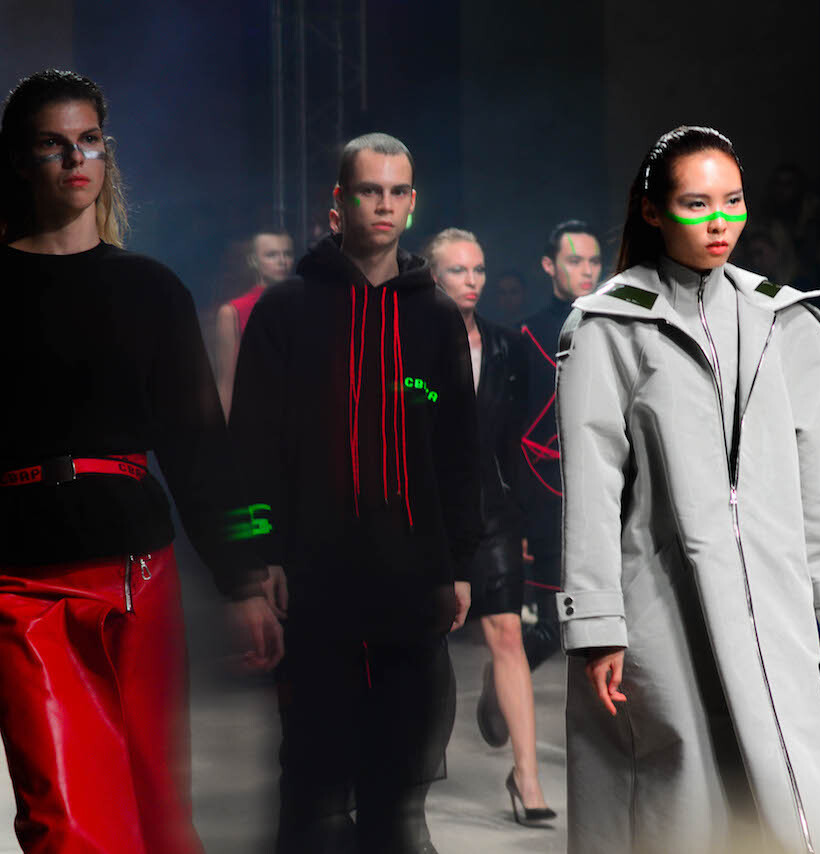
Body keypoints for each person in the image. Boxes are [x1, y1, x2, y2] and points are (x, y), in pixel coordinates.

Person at [556, 125, 820, 854]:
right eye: (697, 203)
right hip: (660, 605)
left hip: (773, 600)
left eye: (733, 201)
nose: (720, 222)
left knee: (784, 794)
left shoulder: (786, 321)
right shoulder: (609, 325)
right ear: (653, 211)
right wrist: (598, 623)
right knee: (679, 804)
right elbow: (591, 485)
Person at [0, 68, 282, 854]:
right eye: (53, 144)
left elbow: (200, 445)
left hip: (138, 574)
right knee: (66, 820)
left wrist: (244, 575)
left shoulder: (151, 289)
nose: (75, 158)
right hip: (20, 584)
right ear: (20, 161)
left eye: (88, 140)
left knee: (158, 810)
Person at [229, 132, 481, 853]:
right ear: (338, 203)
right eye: (370, 190)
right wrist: (257, 561)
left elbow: (458, 452)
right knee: (312, 780)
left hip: (411, 578)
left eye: (398, 191)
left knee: (397, 785)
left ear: (413, 203)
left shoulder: (433, 315)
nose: (385, 205)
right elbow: (250, 448)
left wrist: (461, 563)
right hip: (315, 581)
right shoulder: (286, 310)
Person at [424, 227, 554, 824]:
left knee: (507, 632)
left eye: (478, 269)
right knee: (422, 641)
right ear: (433, 276)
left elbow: (515, 443)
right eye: (458, 270)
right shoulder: (408, 345)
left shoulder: (505, 347)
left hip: (492, 511)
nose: (472, 280)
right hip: (425, 512)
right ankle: (404, 778)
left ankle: (527, 778)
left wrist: (523, 519)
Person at [517, 219, 602, 670]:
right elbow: (519, 432)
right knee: (553, 628)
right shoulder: (526, 336)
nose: (586, 270)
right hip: (551, 502)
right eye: (574, 260)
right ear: (549, 265)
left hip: (610, 499)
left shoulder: (615, 327)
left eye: (593, 261)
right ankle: (502, 685)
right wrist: (522, 517)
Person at [212, 227, 294, 416]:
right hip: (255, 416)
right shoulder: (233, 312)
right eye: (272, 255)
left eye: (287, 254)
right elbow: (226, 382)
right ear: (253, 261)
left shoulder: (304, 303)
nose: (282, 261)